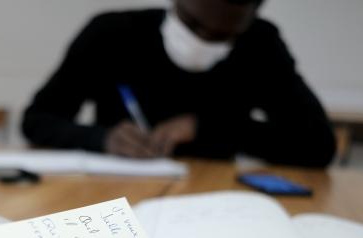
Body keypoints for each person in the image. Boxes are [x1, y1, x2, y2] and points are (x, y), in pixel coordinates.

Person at [22, 0, 336, 167]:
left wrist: (206, 126)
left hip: (214, 198)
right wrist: (101, 138)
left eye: (221, 36)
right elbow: (36, 120)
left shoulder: (260, 45)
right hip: (115, 194)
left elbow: (318, 145)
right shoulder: (112, 33)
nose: (201, 39)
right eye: (192, 23)